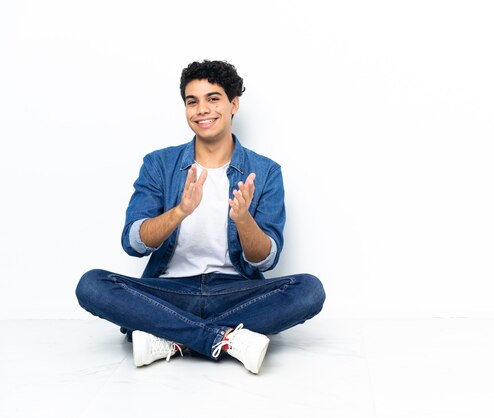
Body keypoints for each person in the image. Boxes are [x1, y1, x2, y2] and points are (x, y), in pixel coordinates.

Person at [75, 60, 325, 374]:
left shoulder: (265, 171)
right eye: (192, 101)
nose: (202, 109)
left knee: (310, 290)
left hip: (234, 294)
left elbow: (266, 259)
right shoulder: (159, 164)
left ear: (233, 104)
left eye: (213, 98)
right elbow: (134, 242)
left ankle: (170, 336)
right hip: (169, 294)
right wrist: (179, 211)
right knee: (92, 285)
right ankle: (224, 339)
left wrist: (244, 220)